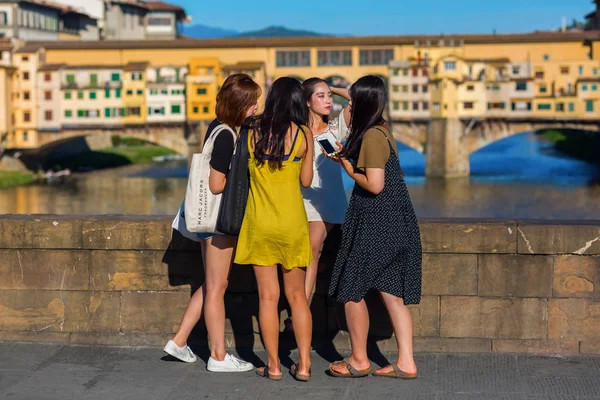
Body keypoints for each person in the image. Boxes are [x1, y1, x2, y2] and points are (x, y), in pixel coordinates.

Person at [163, 74, 262, 373]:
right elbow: (217, 184)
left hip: (206, 221)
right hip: (218, 221)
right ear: (239, 105)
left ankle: (180, 341)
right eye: (252, 103)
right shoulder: (226, 136)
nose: (257, 107)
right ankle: (218, 356)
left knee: (210, 284)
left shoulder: (216, 126)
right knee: (218, 287)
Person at [327, 75, 422, 379]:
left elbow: (375, 185)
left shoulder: (370, 138)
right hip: (399, 221)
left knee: (352, 289)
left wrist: (346, 166)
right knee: (392, 294)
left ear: (363, 104)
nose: (348, 107)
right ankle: (406, 362)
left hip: (376, 222)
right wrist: (333, 90)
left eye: (352, 103)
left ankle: (358, 359)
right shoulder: (382, 129)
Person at [234, 77, 314, 382]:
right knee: (297, 298)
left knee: (267, 298)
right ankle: (304, 365)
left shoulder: (252, 131)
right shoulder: (303, 133)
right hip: (292, 223)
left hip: (260, 222)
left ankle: (274, 365)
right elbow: (306, 181)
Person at [300, 78, 351, 305]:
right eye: (320, 96)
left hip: (328, 203)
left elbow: (358, 99)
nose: (328, 100)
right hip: (300, 200)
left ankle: (298, 309)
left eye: (329, 95)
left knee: (311, 247)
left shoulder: (335, 129)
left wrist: (334, 88)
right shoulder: (296, 131)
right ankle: (297, 306)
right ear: (307, 102)